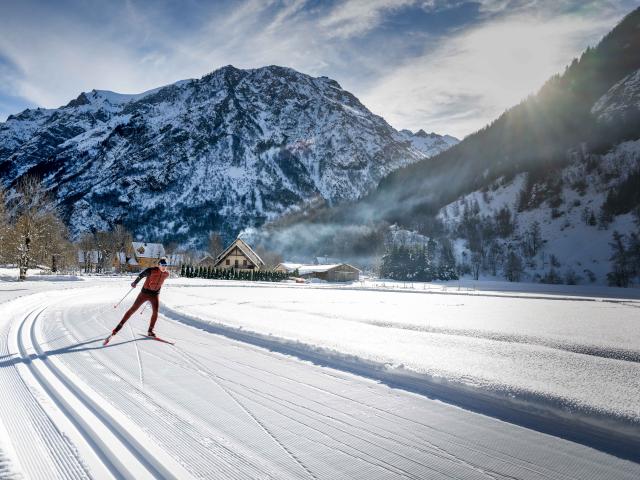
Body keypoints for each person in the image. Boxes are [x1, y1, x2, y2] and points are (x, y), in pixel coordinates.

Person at [111, 257, 170, 338]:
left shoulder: (166, 274)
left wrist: (157, 290)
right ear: (159, 265)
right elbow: (141, 275)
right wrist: (135, 283)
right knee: (133, 309)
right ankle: (118, 327)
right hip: (144, 293)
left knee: (155, 312)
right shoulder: (151, 270)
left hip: (155, 295)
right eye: (162, 265)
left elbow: (160, 282)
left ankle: (150, 331)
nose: (164, 267)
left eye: (166, 265)